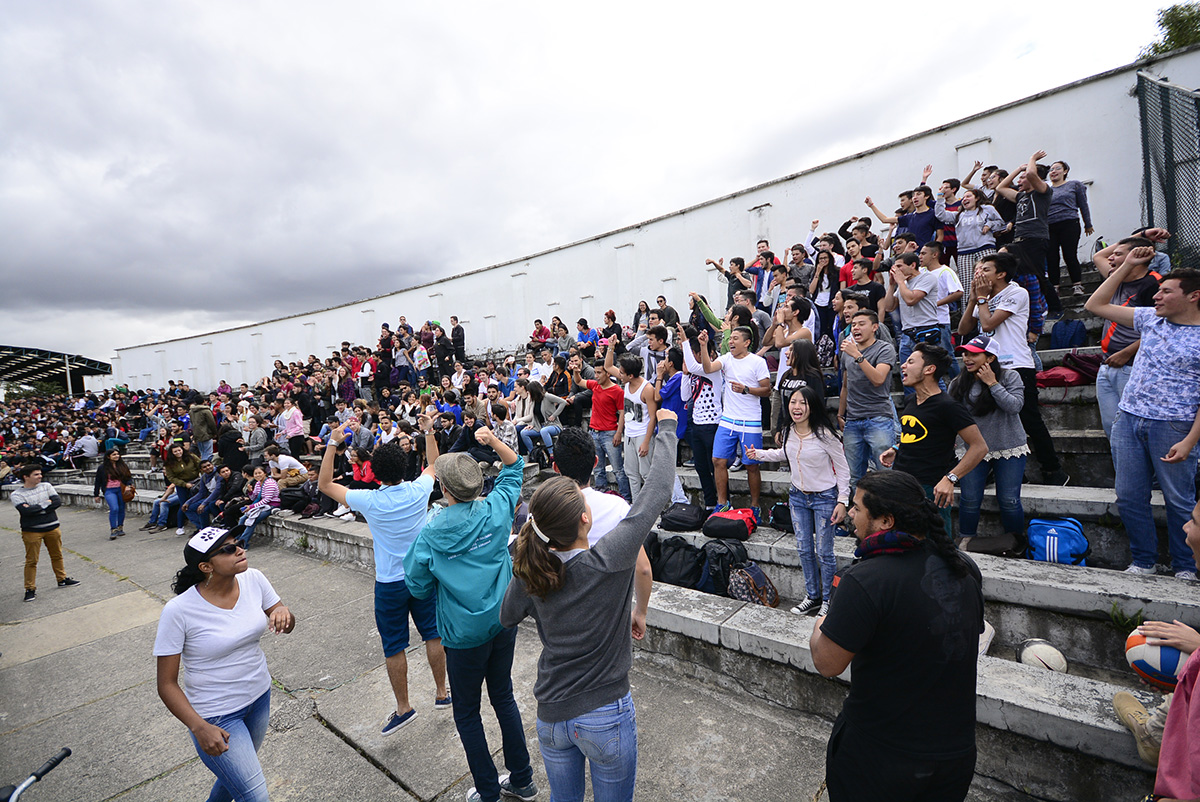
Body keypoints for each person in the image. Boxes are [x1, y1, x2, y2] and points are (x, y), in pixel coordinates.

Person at [501, 409, 678, 802]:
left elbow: (507, 616)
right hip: (605, 713)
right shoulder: (609, 560)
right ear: (586, 519)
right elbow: (658, 490)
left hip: (552, 714)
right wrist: (666, 427)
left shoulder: (531, 571)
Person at [811, 470, 983, 801]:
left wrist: (824, 614)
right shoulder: (963, 567)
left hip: (880, 757)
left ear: (885, 521)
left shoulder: (863, 580)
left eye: (857, 508)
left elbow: (826, 662)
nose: (850, 514)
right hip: (954, 755)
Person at [403, 429, 537, 802]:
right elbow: (515, 467)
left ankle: (489, 791)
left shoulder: (431, 533)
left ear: (444, 490)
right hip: (502, 619)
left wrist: (444, 587)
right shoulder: (495, 510)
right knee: (503, 697)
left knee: (467, 712)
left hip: (462, 634)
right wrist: (493, 440)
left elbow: (416, 584)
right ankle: (523, 779)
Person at [318, 418, 451, 735]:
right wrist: (429, 430)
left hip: (389, 583)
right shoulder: (419, 491)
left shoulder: (370, 500)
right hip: (421, 577)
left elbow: (324, 485)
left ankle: (404, 708)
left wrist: (333, 442)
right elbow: (433, 463)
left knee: (394, 646)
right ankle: (443, 694)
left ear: (374, 473)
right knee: (433, 635)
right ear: (405, 466)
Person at [154, 526, 296, 802]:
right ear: (206, 566)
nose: (240, 549)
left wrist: (283, 612)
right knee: (256, 796)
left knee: (235, 781)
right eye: (228, 549)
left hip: (259, 699)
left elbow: (286, 624)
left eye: (238, 543)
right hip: (216, 715)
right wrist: (198, 726)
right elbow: (166, 684)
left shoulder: (254, 579)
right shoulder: (179, 611)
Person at [1085, 258, 1200, 580]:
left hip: (1174, 426)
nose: (1156, 296)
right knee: (1130, 496)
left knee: (1179, 500)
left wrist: (1190, 440)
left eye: (1165, 291)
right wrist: (1123, 269)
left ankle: (1186, 565)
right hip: (1130, 419)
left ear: (1194, 296)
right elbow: (1096, 303)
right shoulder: (1151, 320)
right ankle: (1144, 560)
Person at [959, 251, 1069, 485]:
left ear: (1001, 274)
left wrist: (981, 299)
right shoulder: (982, 297)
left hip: (1016, 364)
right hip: (987, 364)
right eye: (978, 269)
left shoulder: (1016, 292)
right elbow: (963, 329)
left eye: (985, 269)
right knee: (988, 419)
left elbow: (988, 323)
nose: (979, 273)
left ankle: (1053, 470)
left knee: (1029, 419)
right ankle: (1008, 472)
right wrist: (972, 300)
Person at [747, 386, 848, 618]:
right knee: (803, 549)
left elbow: (843, 470)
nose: (797, 407)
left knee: (825, 552)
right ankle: (812, 596)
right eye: (793, 402)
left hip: (825, 498)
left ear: (812, 407)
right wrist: (759, 454)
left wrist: (842, 501)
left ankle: (827, 599)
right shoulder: (790, 431)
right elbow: (784, 454)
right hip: (798, 497)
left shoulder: (826, 435)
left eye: (802, 403)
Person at [881, 343, 988, 537]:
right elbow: (918, 432)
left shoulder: (948, 406)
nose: (903, 366)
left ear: (929, 369)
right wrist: (896, 448)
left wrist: (951, 478)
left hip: (930, 490)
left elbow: (979, 447)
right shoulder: (911, 400)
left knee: (938, 551)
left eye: (910, 362)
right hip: (902, 483)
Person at [949, 334, 1028, 550]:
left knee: (1010, 500)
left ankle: (1015, 541)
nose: (967, 358)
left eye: (974, 354)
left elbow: (1014, 407)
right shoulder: (958, 383)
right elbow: (951, 415)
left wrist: (992, 383)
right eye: (965, 353)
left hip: (1009, 447)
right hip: (972, 450)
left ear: (990, 358)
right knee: (970, 499)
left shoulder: (1010, 377)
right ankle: (966, 539)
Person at [1090, 236, 1163, 438]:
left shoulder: (1154, 285)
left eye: (1118, 254)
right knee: (1112, 428)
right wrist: (1144, 235)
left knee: (1133, 428)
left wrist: (1127, 352)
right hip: (1107, 364)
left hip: (1133, 365)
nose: (1111, 257)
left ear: (1136, 256)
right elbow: (1098, 256)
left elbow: (1162, 329)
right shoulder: (1116, 278)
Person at [698, 327, 771, 521]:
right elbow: (707, 368)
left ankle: (755, 506)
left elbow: (767, 390)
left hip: (751, 420)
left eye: (736, 339)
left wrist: (746, 389)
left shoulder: (757, 362)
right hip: (728, 419)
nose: (731, 342)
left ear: (747, 343)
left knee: (752, 465)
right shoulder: (726, 359)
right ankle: (722, 503)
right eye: (730, 339)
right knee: (718, 461)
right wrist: (704, 346)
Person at [837, 310, 897, 494]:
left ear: (875, 327)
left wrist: (858, 355)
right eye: (853, 324)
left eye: (861, 324)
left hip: (878, 418)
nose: (855, 327)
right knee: (854, 477)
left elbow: (878, 379)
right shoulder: (847, 352)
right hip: (853, 421)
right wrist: (840, 413)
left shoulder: (884, 349)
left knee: (885, 473)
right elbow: (845, 385)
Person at [11, 464, 80, 602]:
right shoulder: (16, 495)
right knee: (31, 560)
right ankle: (30, 588)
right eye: (36, 474)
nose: (40, 476)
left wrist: (36, 508)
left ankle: (61, 579)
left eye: (40, 473)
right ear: (26, 477)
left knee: (57, 555)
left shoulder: (46, 486)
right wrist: (45, 504)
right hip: (32, 531)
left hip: (52, 527)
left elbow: (56, 502)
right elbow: (25, 512)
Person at [574, 357, 631, 501]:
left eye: (599, 372)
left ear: (608, 373)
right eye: (595, 372)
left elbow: (622, 412)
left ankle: (626, 498)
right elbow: (579, 381)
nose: (596, 376)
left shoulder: (617, 390)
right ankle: (601, 498)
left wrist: (619, 433)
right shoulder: (595, 386)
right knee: (598, 470)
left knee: (618, 470)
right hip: (594, 432)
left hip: (610, 433)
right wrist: (576, 372)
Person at [606, 350, 658, 501]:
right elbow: (608, 366)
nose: (619, 376)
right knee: (631, 473)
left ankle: (649, 506)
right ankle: (636, 505)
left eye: (621, 373)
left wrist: (647, 442)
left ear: (630, 375)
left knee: (646, 473)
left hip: (642, 433)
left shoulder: (647, 389)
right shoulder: (627, 382)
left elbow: (653, 417)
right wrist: (610, 347)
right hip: (629, 433)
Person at [1046, 160, 1094, 296]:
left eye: (1057, 168)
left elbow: (1083, 204)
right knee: (1051, 256)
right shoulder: (1046, 189)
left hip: (1069, 222)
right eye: (1051, 169)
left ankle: (1077, 285)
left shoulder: (1074, 185)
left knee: (1069, 254)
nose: (1053, 171)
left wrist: (1088, 223)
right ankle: (1055, 286)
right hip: (1049, 225)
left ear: (1065, 171)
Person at [92, 447, 133, 539]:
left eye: (117, 454)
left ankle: (120, 527)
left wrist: (128, 485)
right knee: (114, 508)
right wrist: (96, 494)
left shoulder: (122, 466)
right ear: (108, 456)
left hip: (121, 489)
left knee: (121, 508)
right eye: (114, 454)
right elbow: (97, 481)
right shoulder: (102, 468)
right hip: (109, 490)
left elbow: (128, 477)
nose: (116, 456)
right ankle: (113, 529)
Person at [164, 443, 203, 537]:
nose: (178, 452)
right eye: (175, 451)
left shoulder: (191, 457)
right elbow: (171, 477)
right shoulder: (169, 463)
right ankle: (180, 526)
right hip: (181, 484)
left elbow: (200, 466)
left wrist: (203, 479)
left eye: (179, 450)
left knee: (195, 503)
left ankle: (200, 526)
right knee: (184, 505)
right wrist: (184, 484)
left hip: (196, 482)